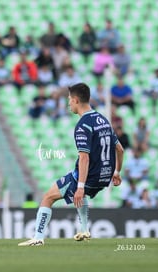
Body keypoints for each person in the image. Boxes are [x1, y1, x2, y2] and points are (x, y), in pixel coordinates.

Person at [18, 83, 124, 246]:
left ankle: (38, 238)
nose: (68, 103)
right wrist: (116, 172)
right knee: (82, 192)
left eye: (69, 100)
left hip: (91, 176)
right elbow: (120, 149)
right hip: (105, 177)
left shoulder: (83, 125)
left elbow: (84, 158)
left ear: (75, 100)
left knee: (48, 197)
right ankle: (84, 230)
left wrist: (80, 187)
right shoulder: (103, 119)